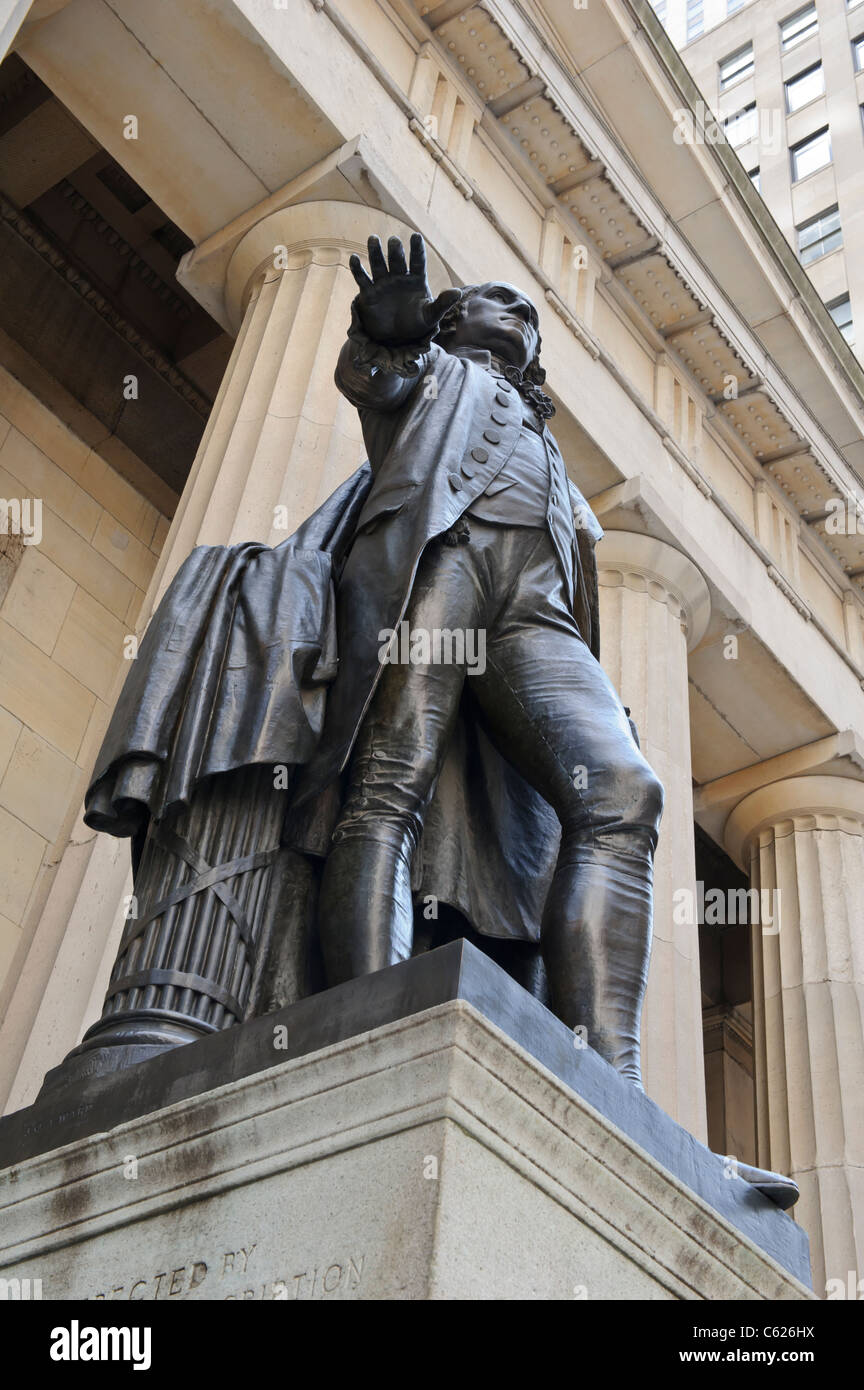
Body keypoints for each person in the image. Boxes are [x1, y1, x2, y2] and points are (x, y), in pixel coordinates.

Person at [298, 232, 664, 1088]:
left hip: (533, 619)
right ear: (455, 320)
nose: (523, 317)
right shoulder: (436, 378)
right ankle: (369, 1019)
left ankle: (613, 1081)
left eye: (531, 316)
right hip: (442, 563)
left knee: (622, 792)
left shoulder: (553, 455)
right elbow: (373, 380)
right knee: (392, 777)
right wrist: (386, 334)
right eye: (503, 303)